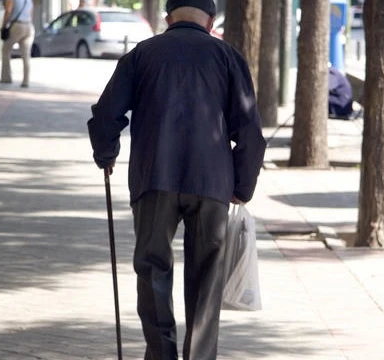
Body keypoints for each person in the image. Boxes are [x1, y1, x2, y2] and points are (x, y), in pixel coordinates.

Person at [86, 0, 266, 358]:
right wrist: (242, 186)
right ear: (211, 20)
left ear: (168, 18)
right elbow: (249, 130)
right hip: (212, 183)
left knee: (152, 269)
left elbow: (106, 113)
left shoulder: (142, 55)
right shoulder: (227, 58)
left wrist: (106, 154)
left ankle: (161, 353)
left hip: (155, 177)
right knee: (206, 277)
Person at [0, 0, 34, 88]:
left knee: (6, 50)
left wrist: (3, 26)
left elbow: (8, 11)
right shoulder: (28, 1)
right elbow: (31, 14)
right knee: (26, 55)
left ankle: (6, 77)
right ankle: (26, 81)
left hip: (17, 25)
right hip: (29, 26)